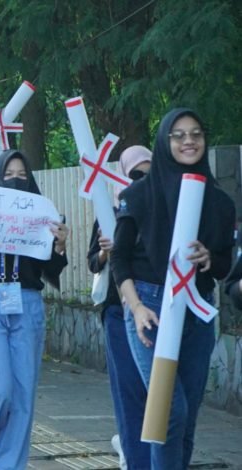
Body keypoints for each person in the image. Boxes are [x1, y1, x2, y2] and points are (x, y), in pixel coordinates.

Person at [111, 109, 235, 469]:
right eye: (178, 135)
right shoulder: (137, 195)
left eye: (195, 134)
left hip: (196, 310)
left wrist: (209, 257)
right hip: (150, 308)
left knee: (187, 413)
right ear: (164, 142)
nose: (188, 141)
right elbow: (119, 259)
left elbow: (226, 265)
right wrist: (135, 308)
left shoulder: (220, 202)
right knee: (168, 408)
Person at [0, 150, 69, 470]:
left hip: (28, 305)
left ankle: (7, 464)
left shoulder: (43, 214)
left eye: (22, 175)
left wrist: (60, 246)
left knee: (23, 394)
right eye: (8, 174)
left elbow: (51, 271)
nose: (15, 180)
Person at [87, 145, 152, 470]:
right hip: (118, 311)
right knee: (128, 390)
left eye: (148, 171)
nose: (142, 179)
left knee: (158, 392)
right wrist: (105, 252)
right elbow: (92, 262)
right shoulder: (108, 209)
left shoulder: (165, 207)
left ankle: (149, 452)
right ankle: (133, 453)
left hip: (157, 310)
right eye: (135, 173)